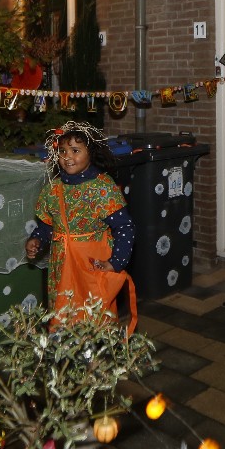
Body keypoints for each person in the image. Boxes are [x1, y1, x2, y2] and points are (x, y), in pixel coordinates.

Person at [26, 121, 138, 331]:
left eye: (75, 150)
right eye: (62, 151)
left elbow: (125, 227)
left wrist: (116, 262)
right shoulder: (53, 189)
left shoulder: (102, 188)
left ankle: (95, 351)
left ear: (91, 153)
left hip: (91, 265)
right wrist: (37, 239)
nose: (67, 157)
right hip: (61, 267)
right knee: (63, 316)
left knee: (94, 319)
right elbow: (48, 224)